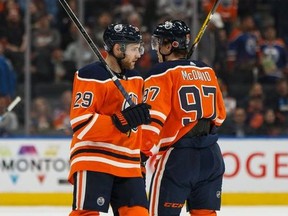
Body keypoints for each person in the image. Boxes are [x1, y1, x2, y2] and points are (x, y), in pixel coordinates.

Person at [141, 20, 226, 216]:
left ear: (171, 45)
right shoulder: (207, 70)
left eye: (160, 43)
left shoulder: (160, 72)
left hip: (178, 157)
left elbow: (153, 118)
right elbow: (220, 116)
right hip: (212, 155)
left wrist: (141, 153)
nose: (157, 48)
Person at [68, 23, 151, 216]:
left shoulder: (137, 79)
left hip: (129, 162)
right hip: (94, 157)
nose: (139, 54)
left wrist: (141, 156)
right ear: (117, 48)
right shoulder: (90, 75)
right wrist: (119, 121)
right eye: (134, 49)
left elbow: (138, 124)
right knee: (86, 213)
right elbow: (80, 123)